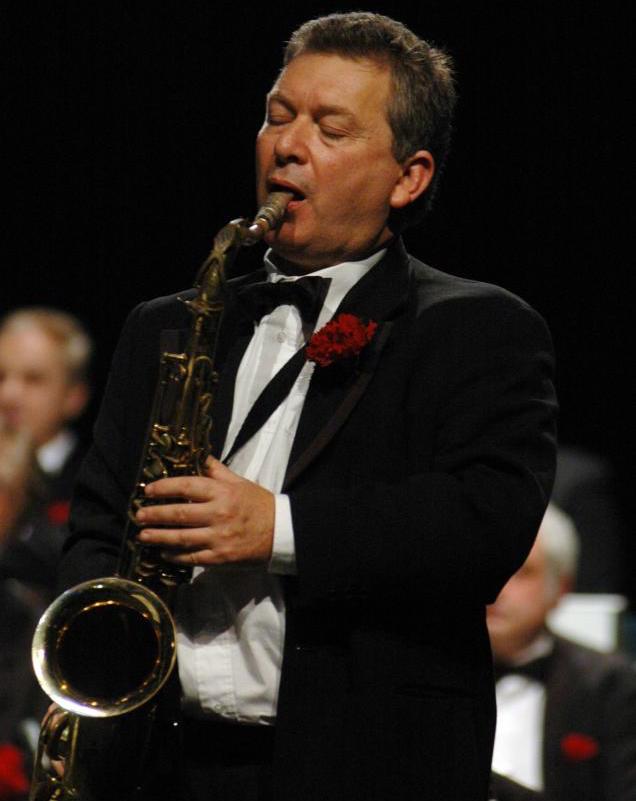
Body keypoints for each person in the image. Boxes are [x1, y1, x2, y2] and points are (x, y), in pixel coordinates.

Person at [56, 12, 557, 801]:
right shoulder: (165, 325)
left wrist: (279, 529)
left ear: (408, 177)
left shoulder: (478, 327)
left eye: (330, 128)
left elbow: (484, 521)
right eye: (277, 116)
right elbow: (95, 527)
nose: (287, 146)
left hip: (363, 767)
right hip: (160, 768)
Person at [488, 503, 636, 801]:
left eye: (522, 572)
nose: (497, 588)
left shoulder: (609, 685)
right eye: (487, 569)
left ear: (561, 589)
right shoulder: (421, 674)